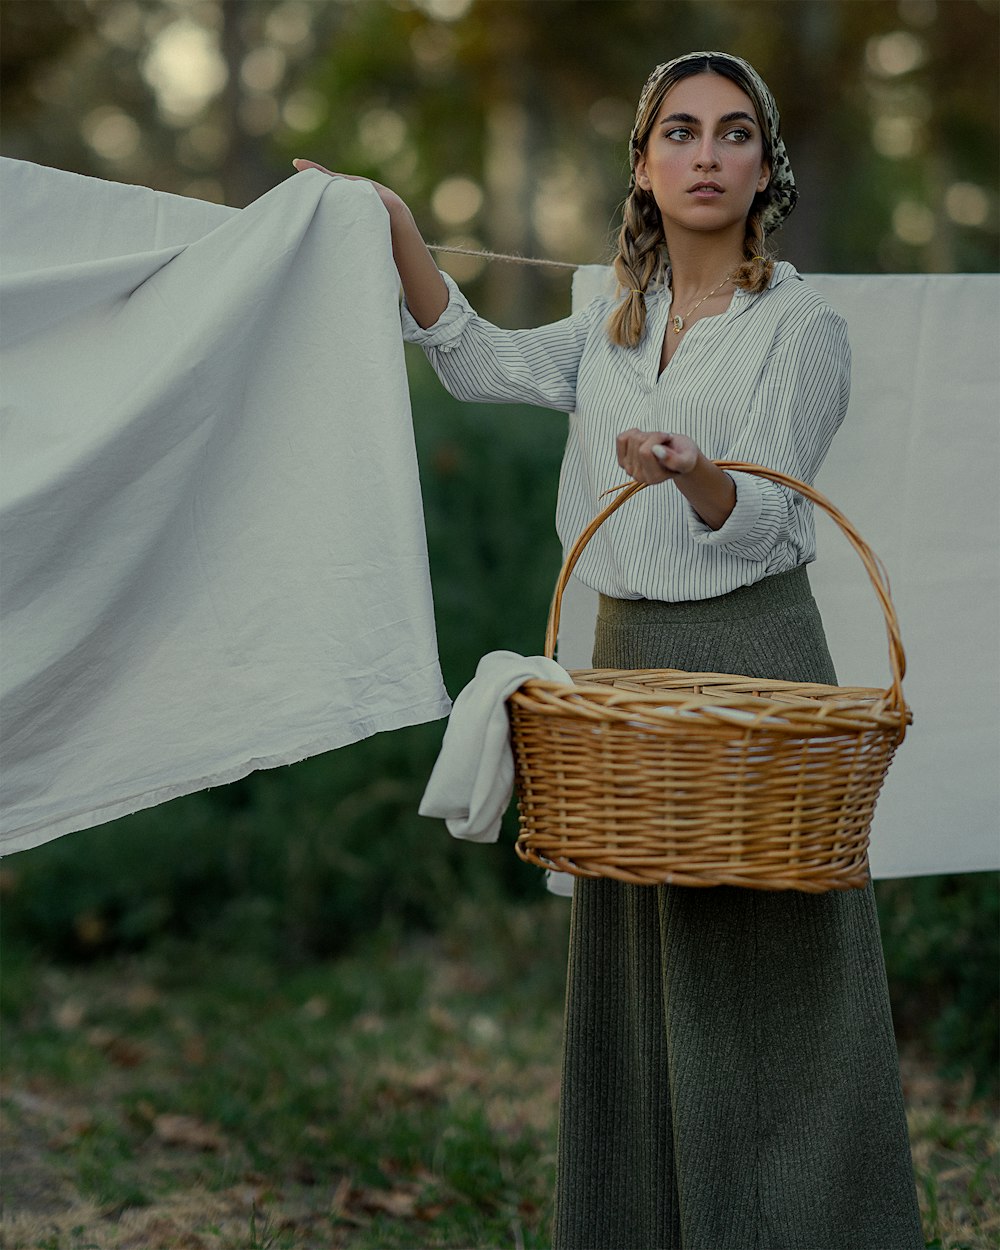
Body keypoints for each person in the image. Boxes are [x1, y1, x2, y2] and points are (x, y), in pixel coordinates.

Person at [295, 49, 924, 1250]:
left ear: (762, 166)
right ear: (642, 164)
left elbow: (777, 520)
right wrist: (390, 221)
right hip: (622, 663)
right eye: (678, 132)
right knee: (643, 969)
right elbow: (477, 360)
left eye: (732, 133)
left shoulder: (802, 325)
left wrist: (695, 475)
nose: (705, 154)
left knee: (765, 973)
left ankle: (803, 1225)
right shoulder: (610, 320)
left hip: (753, 661)